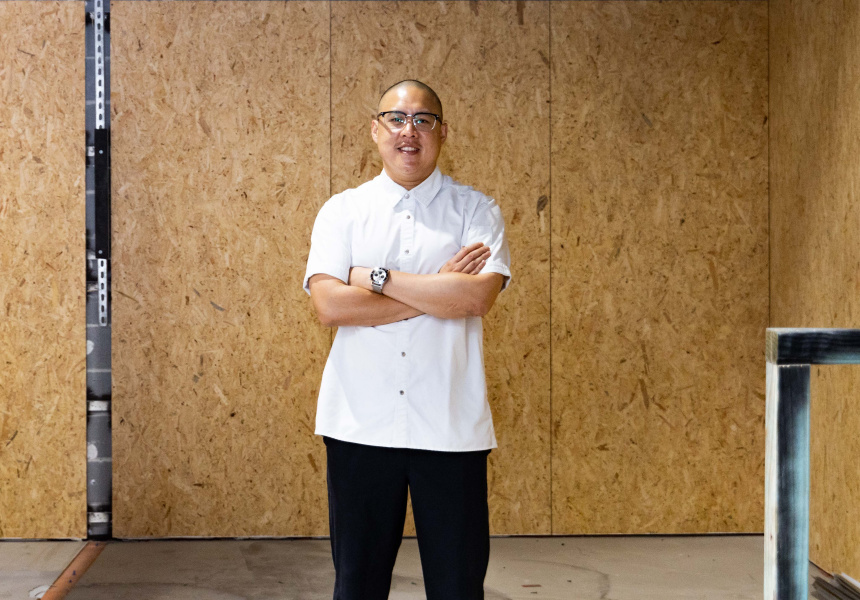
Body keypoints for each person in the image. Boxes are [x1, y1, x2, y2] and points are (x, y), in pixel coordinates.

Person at [303, 79, 512, 600]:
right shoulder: (342, 211)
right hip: (359, 425)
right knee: (358, 586)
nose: (408, 131)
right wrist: (437, 289)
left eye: (423, 120)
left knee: (458, 586)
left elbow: (475, 299)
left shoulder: (476, 211)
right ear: (375, 130)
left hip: (450, 426)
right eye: (396, 119)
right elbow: (330, 307)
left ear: (443, 132)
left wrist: (372, 278)